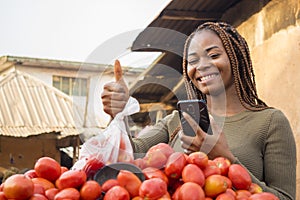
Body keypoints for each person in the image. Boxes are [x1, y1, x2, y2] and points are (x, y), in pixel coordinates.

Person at [101, 22, 296, 199]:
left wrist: (225, 157)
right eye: (193, 61)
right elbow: (127, 154)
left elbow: (284, 197)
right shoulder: (176, 122)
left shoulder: (270, 122)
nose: (202, 66)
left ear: (235, 58)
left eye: (213, 55)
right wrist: (119, 114)